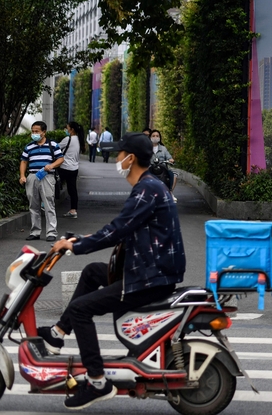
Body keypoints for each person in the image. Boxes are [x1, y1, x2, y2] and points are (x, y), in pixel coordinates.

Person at [43, 132, 186, 410]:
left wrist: (75, 246)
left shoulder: (147, 189)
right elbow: (123, 227)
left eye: (119, 154)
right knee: (93, 272)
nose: (116, 159)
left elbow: (117, 230)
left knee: (82, 309)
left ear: (130, 159)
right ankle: (59, 333)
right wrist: (81, 239)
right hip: (149, 270)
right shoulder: (149, 186)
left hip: (149, 278)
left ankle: (97, 381)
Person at [19, 121, 63, 242]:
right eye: (33, 131)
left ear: (44, 132)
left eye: (37, 131)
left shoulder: (52, 145)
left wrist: (52, 165)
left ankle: (51, 232)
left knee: (49, 204)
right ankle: (35, 231)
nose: (34, 134)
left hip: (47, 177)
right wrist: (22, 175)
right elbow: (23, 161)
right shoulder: (29, 146)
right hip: (32, 176)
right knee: (33, 205)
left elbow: (61, 159)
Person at [59, 121, 86, 219]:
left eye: (67, 128)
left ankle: (45, 205)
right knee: (72, 190)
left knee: (53, 185)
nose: (66, 130)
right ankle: (73, 210)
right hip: (74, 169)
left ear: (72, 129)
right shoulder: (79, 140)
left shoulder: (68, 139)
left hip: (64, 167)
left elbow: (56, 147)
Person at [149, 129, 176, 203]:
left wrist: (171, 159)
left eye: (157, 136)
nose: (155, 137)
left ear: (159, 137)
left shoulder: (163, 148)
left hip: (162, 169)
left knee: (171, 174)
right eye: (153, 136)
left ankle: (170, 191)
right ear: (150, 137)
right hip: (150, 168)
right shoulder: (147, 148)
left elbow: (169, 157)